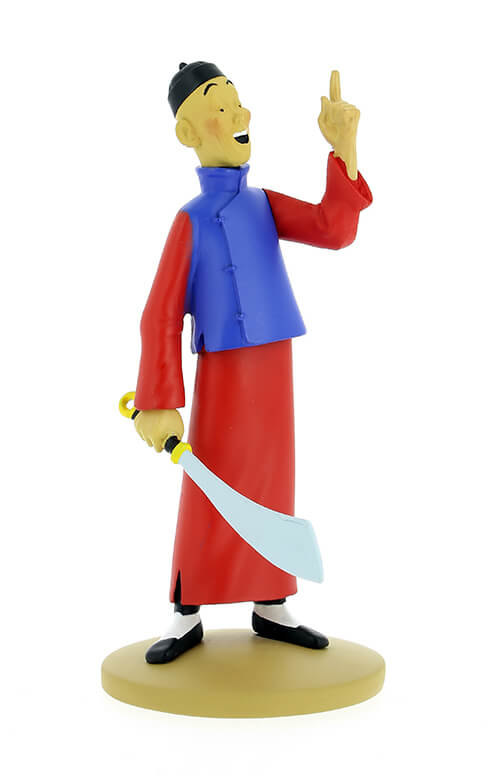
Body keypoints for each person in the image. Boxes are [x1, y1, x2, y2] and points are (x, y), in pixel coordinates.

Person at [133, 62, 372, 664]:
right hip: (221, 371)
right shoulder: (189, 221)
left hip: (274, 362)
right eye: (221, 105)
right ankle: (186, 609)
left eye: (239, 102)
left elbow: (334, 229)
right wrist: (158, 401)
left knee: (271, 480)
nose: (240, 114)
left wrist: (344, 149)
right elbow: (160, 314)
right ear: (188, 133)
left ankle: (271, 600)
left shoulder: (264, 204)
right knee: (208, 482)